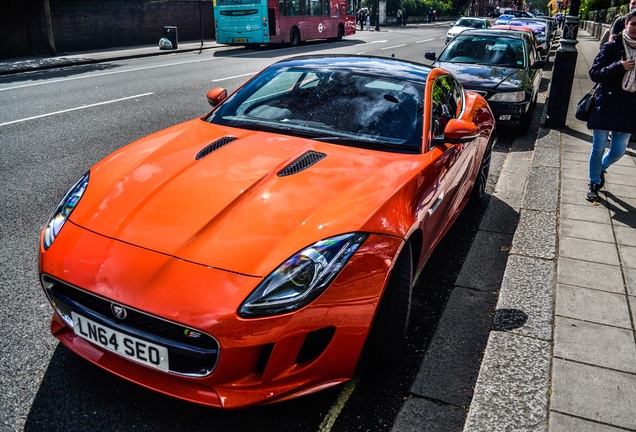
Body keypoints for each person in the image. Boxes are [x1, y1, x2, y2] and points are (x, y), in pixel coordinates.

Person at [585, 10, 636, 202]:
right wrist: (619, 66)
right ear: (626, 25)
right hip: (605, 104)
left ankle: (601, 168)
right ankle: (593, 182)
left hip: (628, 108)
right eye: (634, 24)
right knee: (597, 147)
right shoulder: (612, 47)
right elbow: (595, 73)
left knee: (618, 151)